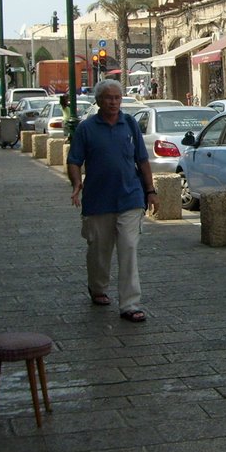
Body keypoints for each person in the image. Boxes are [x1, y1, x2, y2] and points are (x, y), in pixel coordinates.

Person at [67, 78, 158, 321]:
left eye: (117, 98)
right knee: (99, 250)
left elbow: (142, 160)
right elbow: (74, 160)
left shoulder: (129, 124)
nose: (114, 102)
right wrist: (77, 184)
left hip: (130, 197)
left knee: (128, 247)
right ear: (98, 101)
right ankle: (97, 288)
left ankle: (130, 304)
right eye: (109, 97)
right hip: (98, 200)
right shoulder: (86, 128)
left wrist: (150, 190)